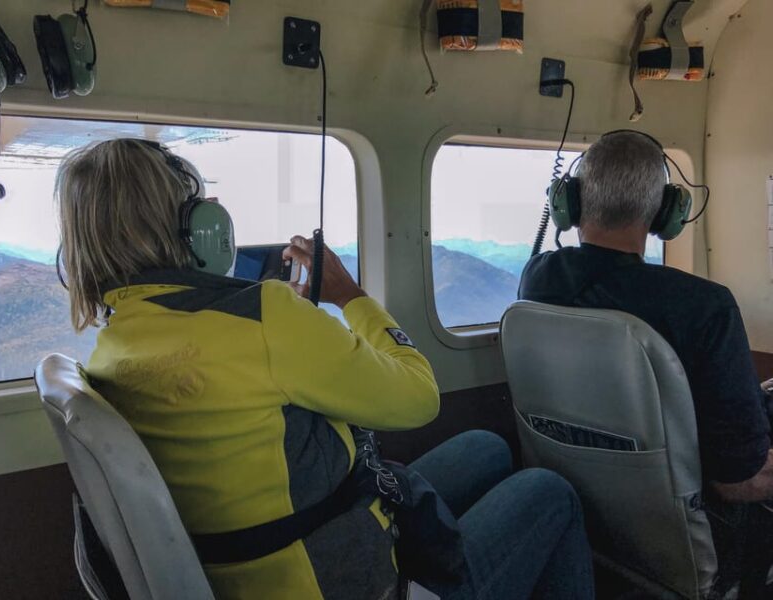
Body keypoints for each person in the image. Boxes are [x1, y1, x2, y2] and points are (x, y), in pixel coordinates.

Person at [57, 138, 594, 600]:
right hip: (341, 579)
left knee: (487, 446)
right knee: (550, 492)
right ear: (196, 229)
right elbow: (418, 395)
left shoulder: (110, 349)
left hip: (255, 564)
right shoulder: (265, 316)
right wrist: (349, 295)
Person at [519, 131, 773, 589]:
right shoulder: (704, 306)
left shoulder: (538, 279)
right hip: (696, 537)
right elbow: (739, 484)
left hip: (590, 520)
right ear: (665, 212)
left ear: (570, 204)